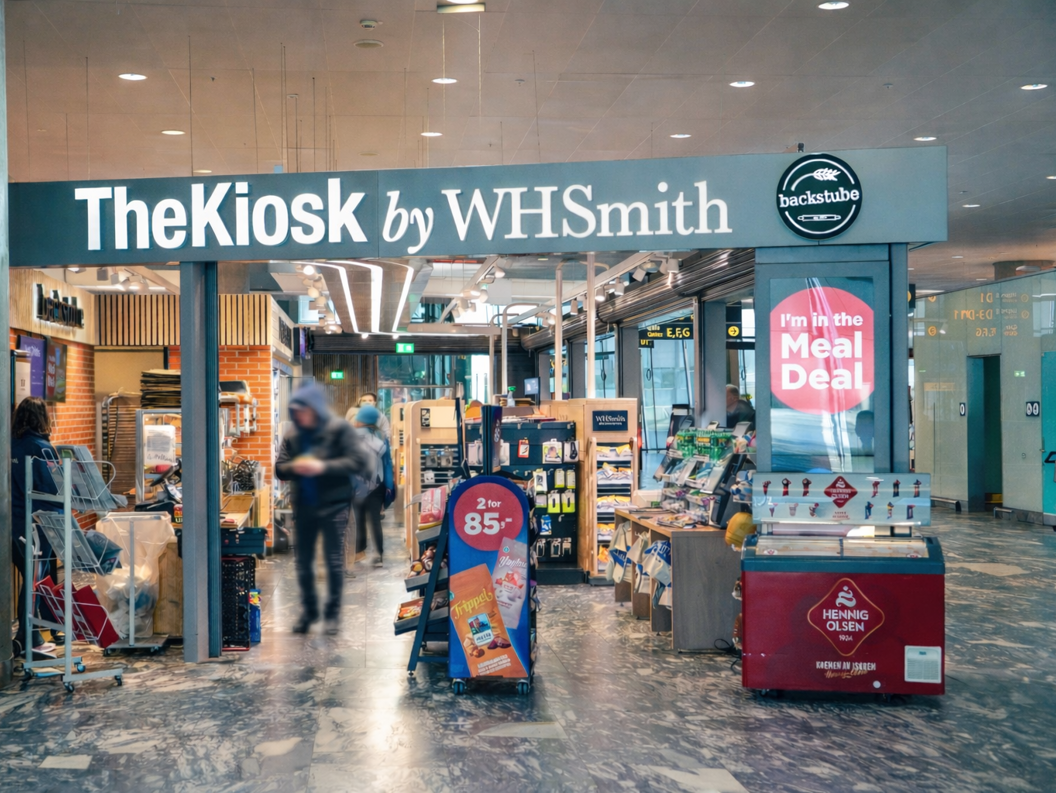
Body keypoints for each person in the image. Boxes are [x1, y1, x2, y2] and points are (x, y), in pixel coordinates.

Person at [276, 382, 367, 635]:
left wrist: (321, 467)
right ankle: (309, 612)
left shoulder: (339, 430)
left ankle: (332, 615)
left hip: (335, 504)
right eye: (296, 411)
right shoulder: (293, 434)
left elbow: (356, 462)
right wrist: (297, 466)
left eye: (303, 409)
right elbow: (279, 467)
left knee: (333, 559)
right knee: (303, 561)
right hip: (304, 505)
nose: (300, 416)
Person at [10, 397, 62, 657]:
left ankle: (28, 636)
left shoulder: (9, 444)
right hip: (35, 527)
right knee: (34, 582)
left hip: (10, 525)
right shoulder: (42, 448)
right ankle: (29, 639)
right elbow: (52, 490)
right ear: (42, 418)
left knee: (29, 580)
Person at [351, 404, 395, 568]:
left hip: (357, 484)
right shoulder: (381, 436)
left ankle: (359, 551)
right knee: (375, 519)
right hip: (378, 483)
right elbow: (387, 463)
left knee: (358, 518)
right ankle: (378, 554)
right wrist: (389, 486)